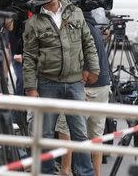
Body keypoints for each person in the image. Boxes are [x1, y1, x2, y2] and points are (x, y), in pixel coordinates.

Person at [23, 0, 100, 176]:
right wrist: (30, 87)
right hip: (47, 83)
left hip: (75, 82)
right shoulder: (34, 22)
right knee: (46, 134)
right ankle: (46, 173)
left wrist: (93, 69)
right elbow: (29, 57)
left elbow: (88, 43)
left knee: (80, 133)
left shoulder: (75, 12)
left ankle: (85, 173)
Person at [56, 10, 111, 176]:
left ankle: (66, 170)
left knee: (65, 126)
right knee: (96, 134)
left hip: (86, 85)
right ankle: (96, 173)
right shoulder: (93, 26)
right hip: (103, 85)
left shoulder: (77, 26)